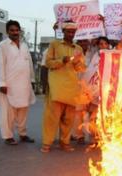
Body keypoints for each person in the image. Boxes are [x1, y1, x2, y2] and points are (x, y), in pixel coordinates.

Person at [41, 20, 86, 153]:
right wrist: (63, 61)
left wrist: (77, 63)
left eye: (73, 32)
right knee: (52, 116)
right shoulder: (54, 44)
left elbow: (81, 69)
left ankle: (64, 142)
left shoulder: (78, 49)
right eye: (68, 31)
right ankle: (47, 143)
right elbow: (48, 63)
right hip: (56, 86)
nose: (71, 34)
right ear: (63, 31)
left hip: (72, 86)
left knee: (69, 117)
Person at [0, 20, 35, 145]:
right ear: (7, 32)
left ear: (20, 31)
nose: (15, 32)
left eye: (17, 30)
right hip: (9, 85)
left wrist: (32, 80)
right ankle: (8, 136)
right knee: (8, 113)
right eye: (12, 30)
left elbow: (30, 64)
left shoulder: (24, 45)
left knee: (23, 110)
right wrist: (2, 83)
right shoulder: (2, 46)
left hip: (24, 84)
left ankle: (22, 134)